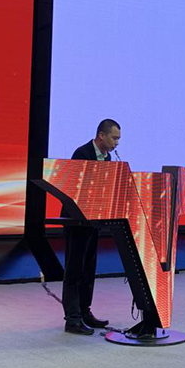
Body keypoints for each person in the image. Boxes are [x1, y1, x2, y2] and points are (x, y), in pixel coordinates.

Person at [62, 118, 121, 335]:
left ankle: (85, 311)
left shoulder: (108, 158)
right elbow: (76, 187)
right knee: (75, 268)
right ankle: (72, 319)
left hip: (94, 220)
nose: (116, 143)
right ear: (101, 135)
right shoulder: (82, 153)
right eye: (114, 138)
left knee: (88, 268)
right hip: (76, 220)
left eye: (118, 139)